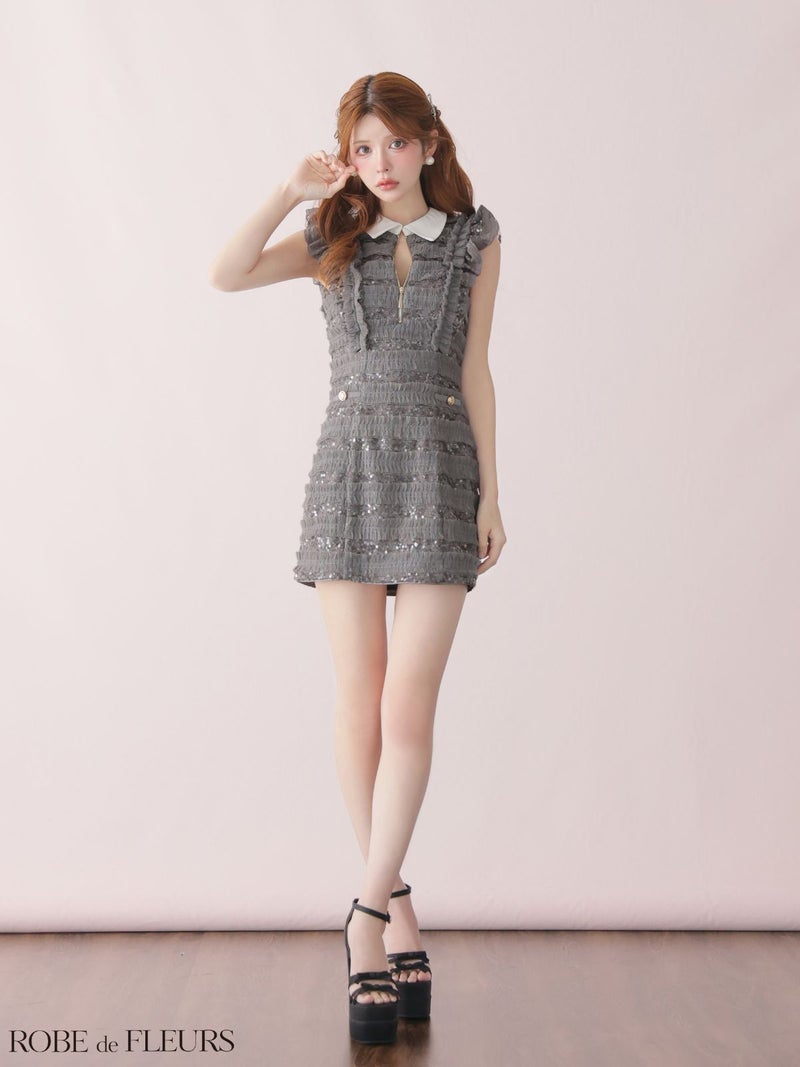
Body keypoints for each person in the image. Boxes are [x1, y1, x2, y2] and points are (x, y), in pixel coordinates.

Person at [209, 71, 507, 1045]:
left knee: (407, 707)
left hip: (440, 470)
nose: (380, 163)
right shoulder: (331, 235)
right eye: (363, 147)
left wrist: (491, 493)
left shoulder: (475, 238)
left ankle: (365, 912)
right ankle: (396, 910)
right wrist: (286, 191)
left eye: (396, 143)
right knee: (359, 701)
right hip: (347, 471)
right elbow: (224, 273)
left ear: (429, 144)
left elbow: (476, 369)